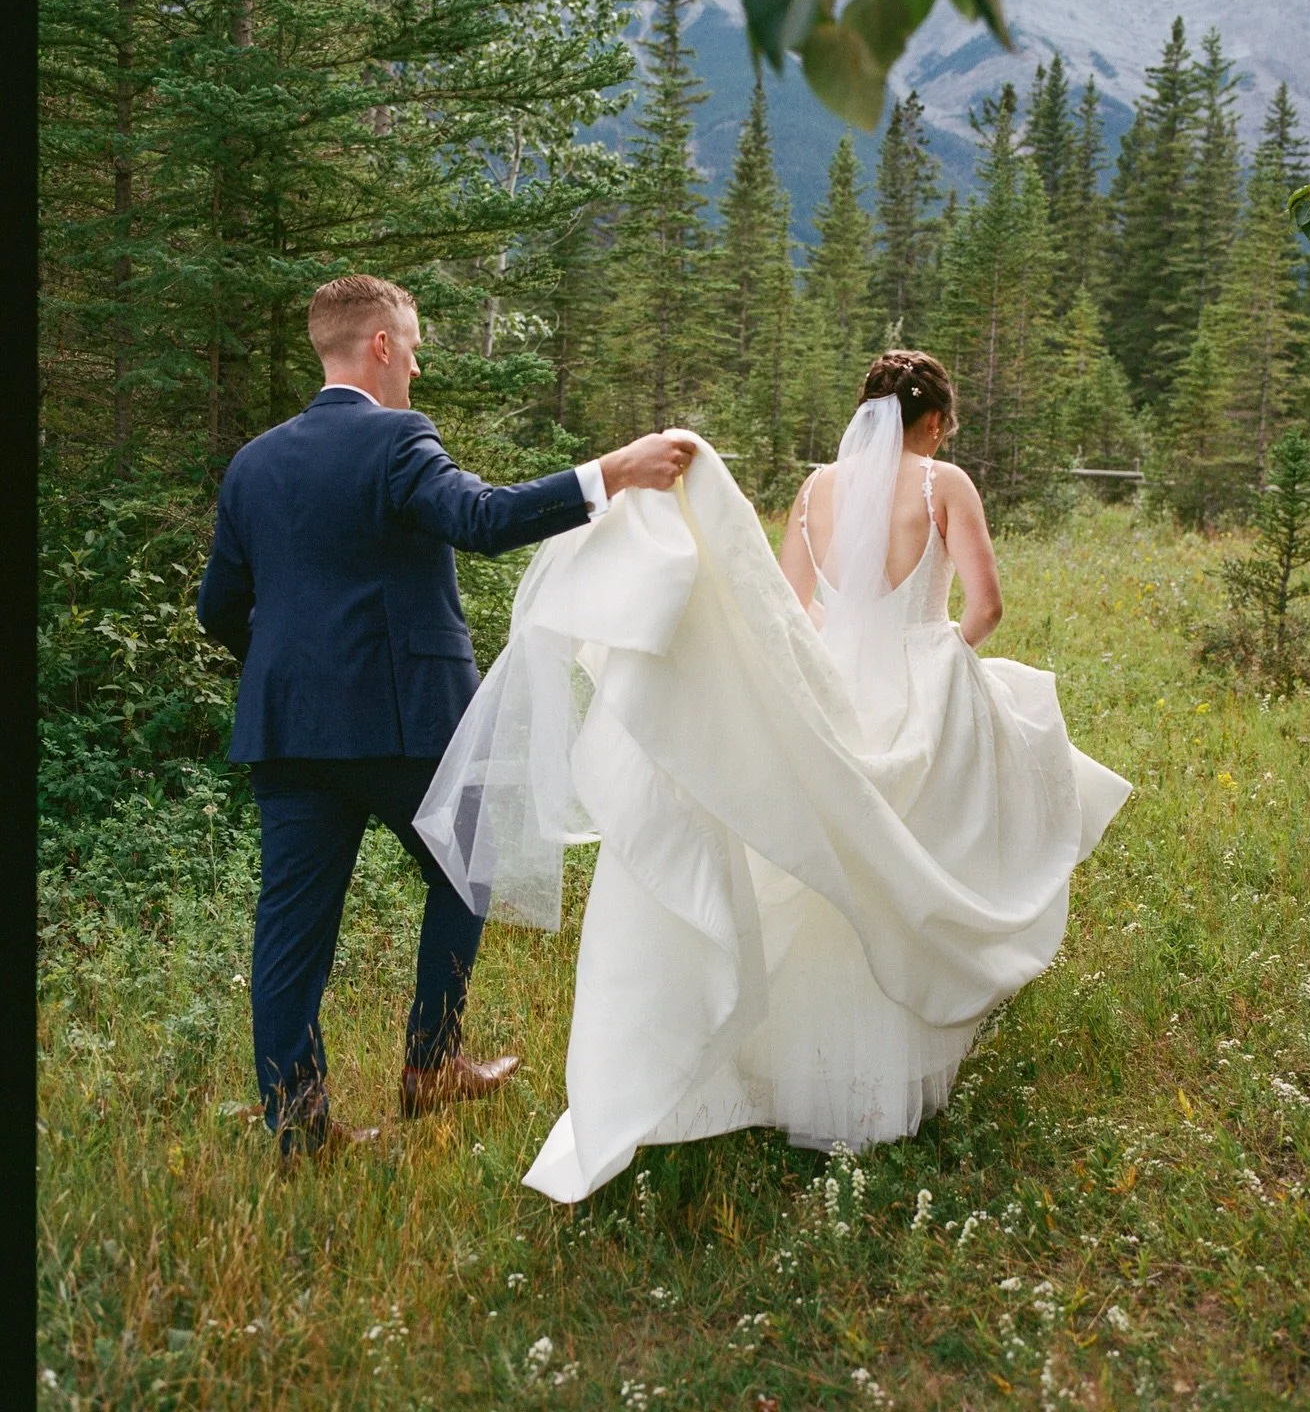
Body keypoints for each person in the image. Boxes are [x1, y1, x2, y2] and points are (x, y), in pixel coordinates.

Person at [415, 349, 1131, 1202]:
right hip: (918, 684)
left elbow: (786, 610)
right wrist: (939, 664)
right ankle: (892, 1072)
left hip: (826, 692)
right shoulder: (945, 484)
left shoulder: (815, 491)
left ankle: (795, 1068)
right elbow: (985, 605)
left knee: (822, 872)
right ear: (933, 422)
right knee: (920, 861)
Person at [196, 273, 694, 1157]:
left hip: (287, 729)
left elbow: (218, 610)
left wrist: (289, 673)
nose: (417, 368)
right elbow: (482, 518)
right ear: (380, 345)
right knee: (470, 865)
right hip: (402, 721)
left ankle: (294, 1123)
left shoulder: (253, 462)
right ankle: (431, 1061)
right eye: (415, 347)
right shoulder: (395, 439)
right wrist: (609, 473)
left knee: (291, 925)